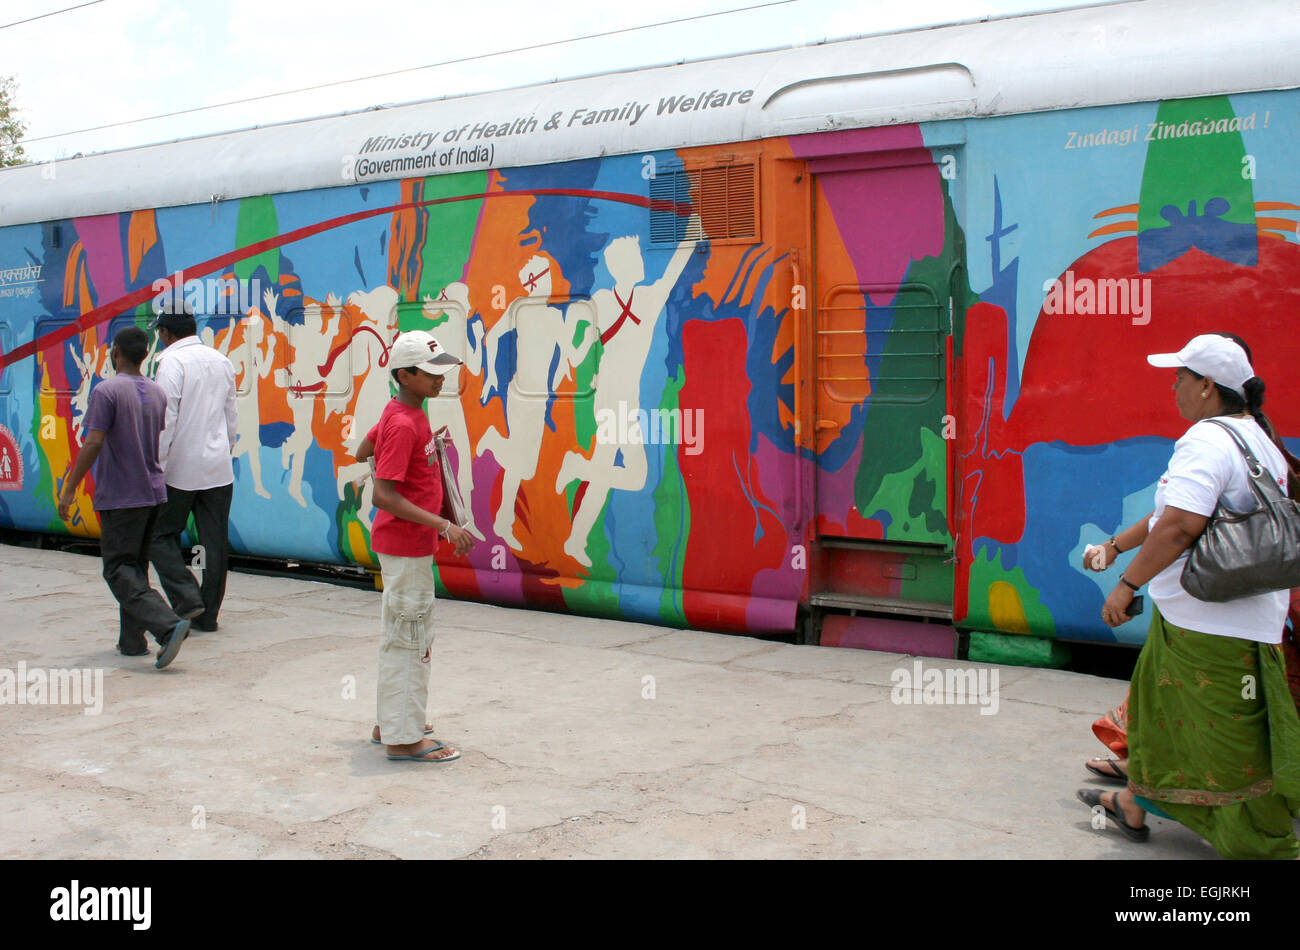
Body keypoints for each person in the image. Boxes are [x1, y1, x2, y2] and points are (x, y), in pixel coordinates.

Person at [1076, 333, 1300, 859]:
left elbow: (1178, 526)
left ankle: (1262, 845)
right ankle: (1134, 802)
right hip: (1215, 620)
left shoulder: (1206, 440)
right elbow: (1166, 513)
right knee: (1162, 722)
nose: (1173, 385)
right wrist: (1113, 546)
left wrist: (1127, 586)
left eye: (1180, 376)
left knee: (1225, 745)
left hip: (1215, 628)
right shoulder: (1253, 436)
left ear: (1206, 386)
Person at [363, 330, 474, 762]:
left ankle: (390, 720)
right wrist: (445, 526)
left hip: (406, 545)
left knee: (401, 633)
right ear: (404, 375)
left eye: (440, 370)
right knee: (411, 636)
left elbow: (362, 450)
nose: (439, 379)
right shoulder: (406, 422)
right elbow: (383, 495)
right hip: (407, 544)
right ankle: (404, 739)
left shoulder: (404, 413)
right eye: (430, 374)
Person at [57, 327, 191, 669]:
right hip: (153, 492)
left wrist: (70, 488)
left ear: (115, 353)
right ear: (144, 355)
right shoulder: (156, 392)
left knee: (117, 569)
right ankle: (132, 642)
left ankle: (166, 624)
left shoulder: (107, 391)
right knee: (135, 568)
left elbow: (94, 442)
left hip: (121, 495)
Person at [148, 299, 238, 632]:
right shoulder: (221, 360)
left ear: (166, 332)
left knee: (159, 536)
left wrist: (156, 464)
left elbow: (165, 420)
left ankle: (186, 596)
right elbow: (232, 417)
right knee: (213, 543)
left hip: (179, 470)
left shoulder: (171, 363)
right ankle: (208, 616)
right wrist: (224, 449)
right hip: (218, 469)